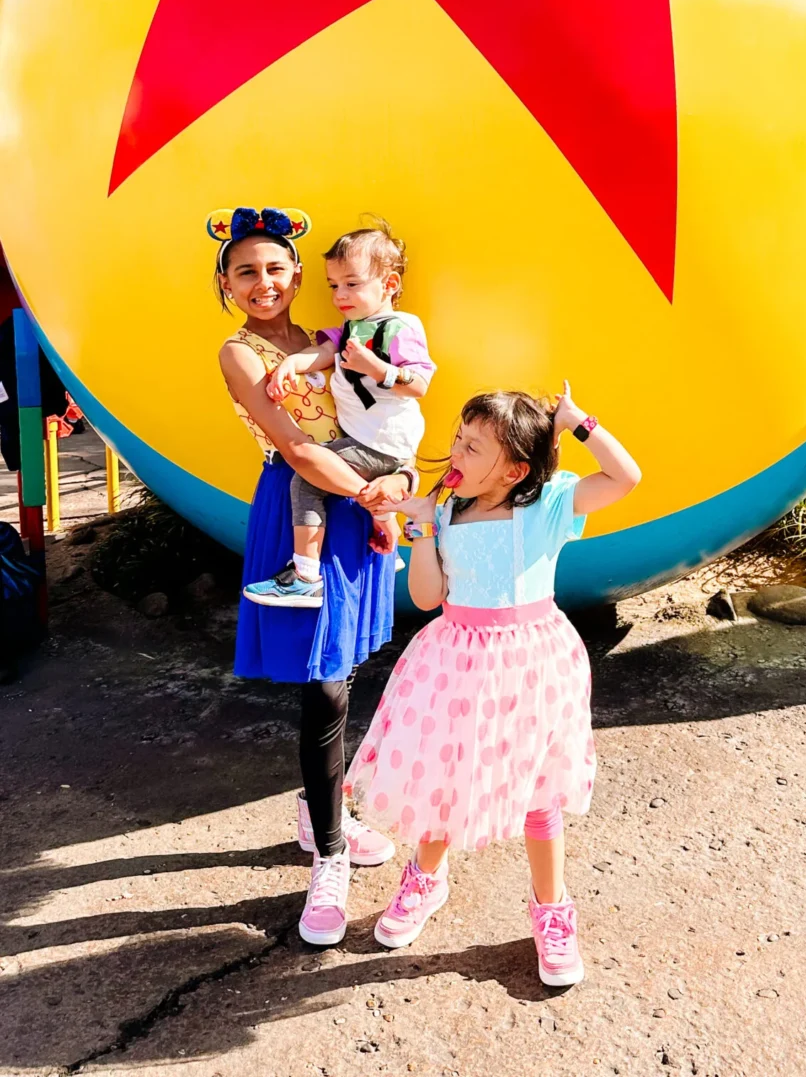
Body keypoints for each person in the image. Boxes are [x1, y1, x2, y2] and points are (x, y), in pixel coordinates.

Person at [346, 383, 641, 987]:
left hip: (534, 663)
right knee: (443, 775)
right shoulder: (445, 510)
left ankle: (551, 910)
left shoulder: (551, 505)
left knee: (540, 793)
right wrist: (421, 529)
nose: (454, 452)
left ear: (514, 469)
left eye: (472, 446)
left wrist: (576, 421)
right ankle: (426, 879)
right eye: (458, 437)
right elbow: (428, 597)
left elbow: (625, 476)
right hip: (455, 660)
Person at [210, 205, 414, 946]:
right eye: (246, 272)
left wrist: (388, 481)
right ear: (226, 283)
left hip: (353, 503)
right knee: (322, 677)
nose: (263, 283)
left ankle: (320, 807)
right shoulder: (241, 353)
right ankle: (329, 855)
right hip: (306, 506)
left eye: (274, 268)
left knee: (347, 663)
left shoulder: (331, 336)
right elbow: (296, 447)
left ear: (298, 273)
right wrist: (376, 493)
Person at [244, 220, 434, 608]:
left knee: (306, 483)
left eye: (352, 283)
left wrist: (376, 367)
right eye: (334, 286)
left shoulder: (400, 326)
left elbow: (420, 385)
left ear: (390, 285)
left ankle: (305, 575)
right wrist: (290, 365)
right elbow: (327, 353)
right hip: (367, 440)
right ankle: (387, 529)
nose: (340, 294)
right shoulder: (353, 328)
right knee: (324, 473)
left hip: (381, 443)